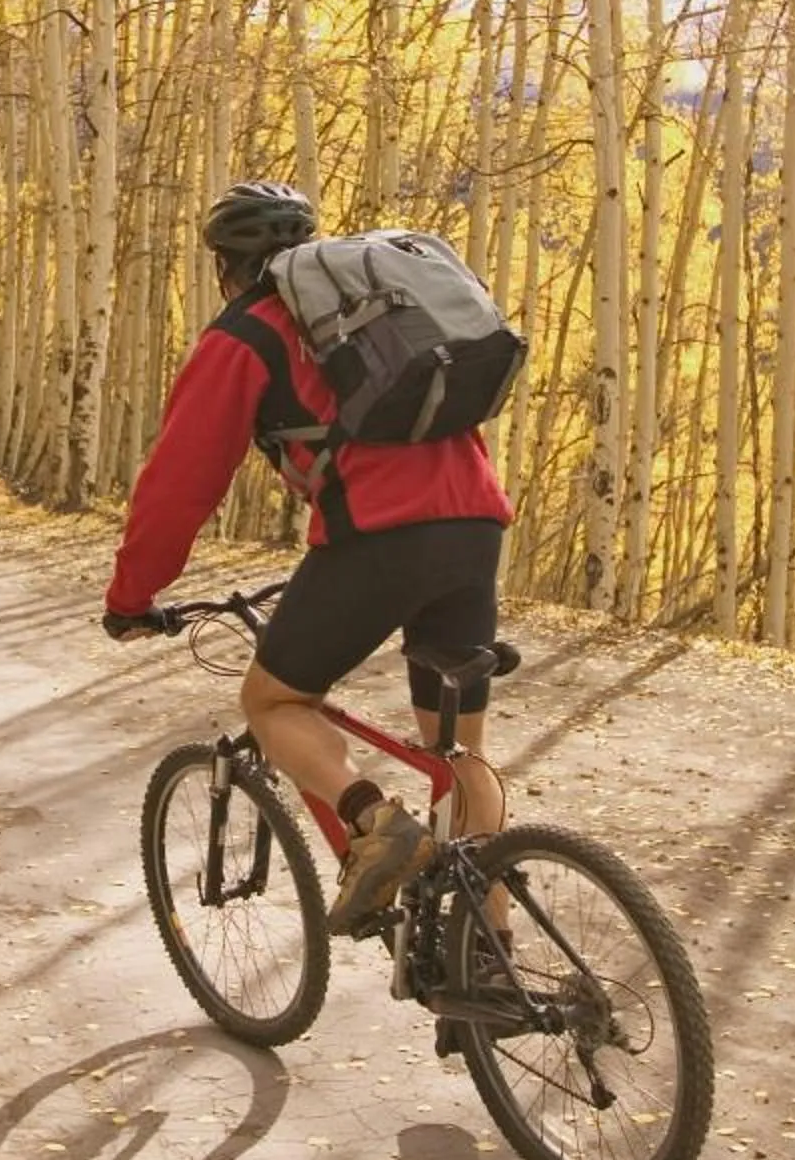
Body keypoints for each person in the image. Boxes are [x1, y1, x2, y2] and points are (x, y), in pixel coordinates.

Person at [102, 180, 516, 935]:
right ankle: (487, 958)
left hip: (380, 536)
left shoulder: (246, 335)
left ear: (227, 265)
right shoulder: (378, 311)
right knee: (459, 751)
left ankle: (375, 823)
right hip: (477, 524)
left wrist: (132, 595)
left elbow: (178, 486)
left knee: (272, 702)